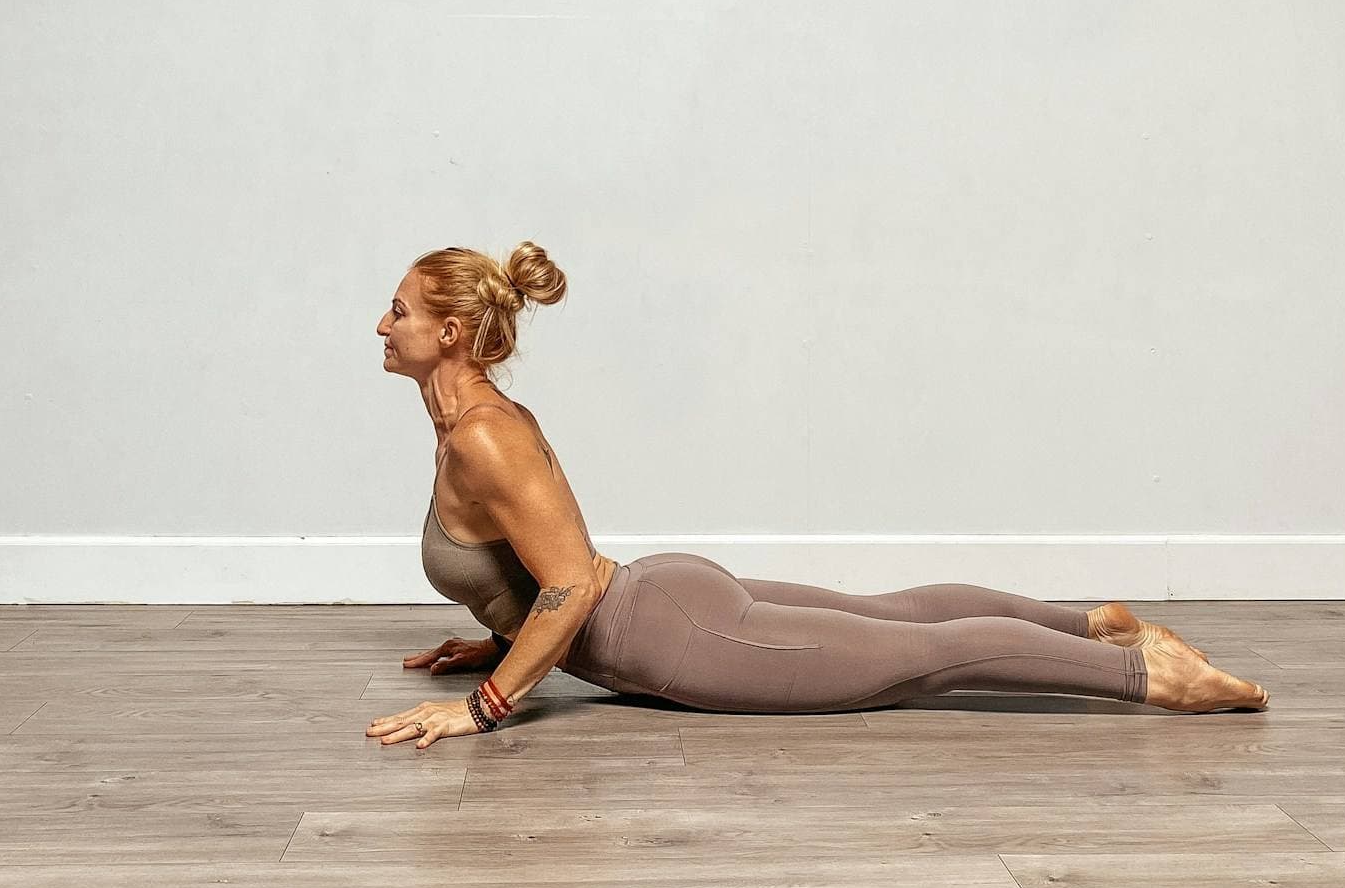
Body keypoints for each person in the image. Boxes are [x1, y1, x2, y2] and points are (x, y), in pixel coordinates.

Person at [367, 244, 1269, 750]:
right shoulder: (465, 425)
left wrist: (485, 705)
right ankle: (1090, 625)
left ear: (449, 333)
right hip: (663, 599)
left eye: (399, 310)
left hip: (668, 634)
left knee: (922, 659)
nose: (382, 323)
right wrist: (497, 634)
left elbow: (566, 585)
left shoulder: (484, 433)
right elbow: (533, 566)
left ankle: (1152, 673)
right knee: (900, 616)